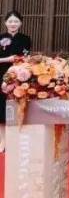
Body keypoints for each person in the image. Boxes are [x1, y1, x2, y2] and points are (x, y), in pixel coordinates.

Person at [0, 10, 32, 153]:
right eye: (10, 21)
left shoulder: (25, 39)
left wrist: (19, 62)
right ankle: (2, 141)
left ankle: (15, 140)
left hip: (18, 76)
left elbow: (26, 57)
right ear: (5, 23)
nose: (13, 24)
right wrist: (7, 59)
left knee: (16, 107)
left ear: (20, 23)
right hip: (1, 74)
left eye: (16, 21)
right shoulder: (0, 38)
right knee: (1, 108)